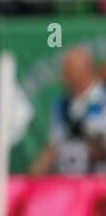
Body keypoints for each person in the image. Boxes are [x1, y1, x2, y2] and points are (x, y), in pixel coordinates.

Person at [30, 46, 106, 176]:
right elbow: (53, 145)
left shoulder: (102, 100)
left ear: (86, 70)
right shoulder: (62, 105)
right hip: (70, 181)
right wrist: (32, 176)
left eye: (70, 70)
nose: (64, 76)